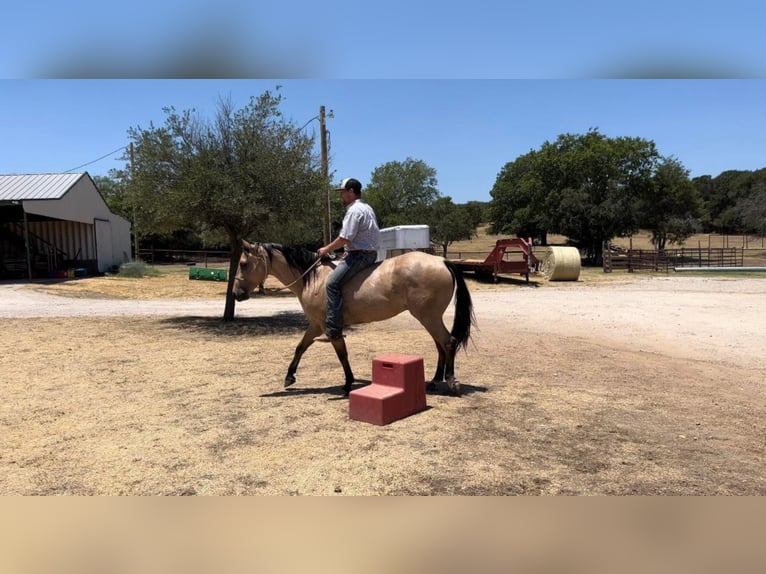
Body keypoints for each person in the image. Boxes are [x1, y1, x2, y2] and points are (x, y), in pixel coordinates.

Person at [315, 177, 380, 342]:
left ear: (351, 192)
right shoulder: (366, 207)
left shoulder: (354, 211)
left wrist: (326, 249)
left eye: (342, 192)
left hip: (360, 255)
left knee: (332, 283)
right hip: (367, 252)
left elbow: (345, 237)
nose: (341, 196)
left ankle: (333, 329)